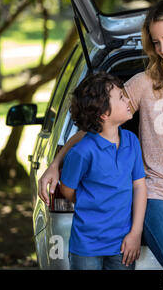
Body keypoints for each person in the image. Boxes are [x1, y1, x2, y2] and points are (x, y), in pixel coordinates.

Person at [39, 0, 163, 270]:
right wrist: (56, 163)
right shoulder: (145, 84)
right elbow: (98, 125)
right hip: (158, 192)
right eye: (156, 43)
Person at [59, 72, 147, 270]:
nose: (128, 100)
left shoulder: (132, 141)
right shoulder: (82, 152)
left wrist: (136, 233)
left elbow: (139, 186)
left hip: (123, 244)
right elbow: (67, 189)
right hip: (86, 247)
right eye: (121, 98)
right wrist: (91, 201)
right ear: (104, 114)